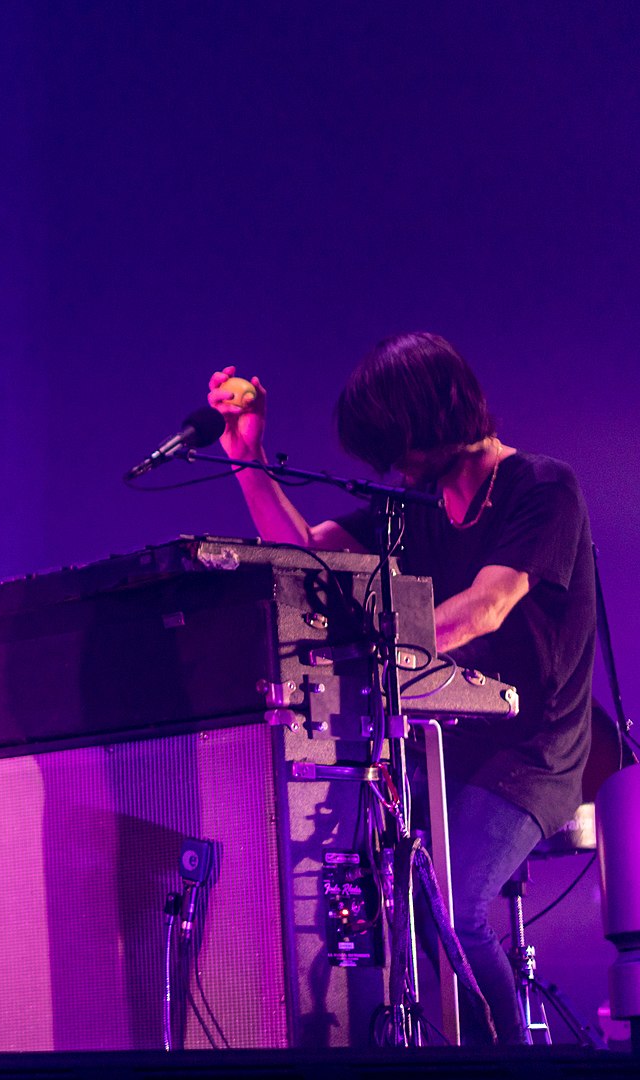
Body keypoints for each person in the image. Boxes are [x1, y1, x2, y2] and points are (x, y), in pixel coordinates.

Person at [208, 332, 596, 1044]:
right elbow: (306, 555)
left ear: (430, 416)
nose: (393, 465)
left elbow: (486, 607)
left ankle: (514, 1064)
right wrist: (246, 457)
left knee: (454, 905)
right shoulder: (415, 504)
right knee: (386, 904)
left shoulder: (542, 486)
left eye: (397, 444)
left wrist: (373, 654)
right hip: (439, 748)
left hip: (533, 753)